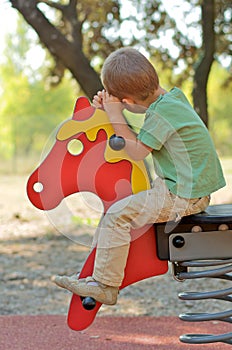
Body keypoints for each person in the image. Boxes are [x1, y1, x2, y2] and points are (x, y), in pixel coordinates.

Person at [53, 47, 226, 305]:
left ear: (129, 103)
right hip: (183, 189)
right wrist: (114, 108)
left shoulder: (160, 115)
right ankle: (91, 275)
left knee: (117, 216)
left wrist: (113, 114)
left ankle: (105, 285)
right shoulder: (172, 99)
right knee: (117, 211)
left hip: (185, 196)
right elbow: (138, 131)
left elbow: (134, 151)